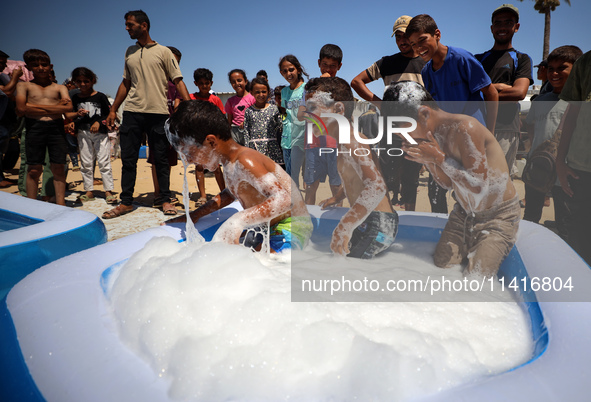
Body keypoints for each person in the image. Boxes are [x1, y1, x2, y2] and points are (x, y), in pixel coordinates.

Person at [386, 81, 519, 277]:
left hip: (498, 217)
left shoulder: (466, 128)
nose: (405, 137)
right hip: (464, 214)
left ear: (424, 114)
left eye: (405, 130)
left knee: (476, 281)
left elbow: (478, 187)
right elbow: (447, 183)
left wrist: (439, 158)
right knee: (439, 269)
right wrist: (429, 161)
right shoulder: (430, 135)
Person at [165, 100, 312, 253]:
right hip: (266, 226)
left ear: (210, 141)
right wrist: (196, 214)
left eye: (189, 153)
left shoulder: (245, 160)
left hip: (292, 225)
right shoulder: (229, 162)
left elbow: (284, 200)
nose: (188, 160)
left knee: (259, 266)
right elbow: (231, 193)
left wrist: (237, 221)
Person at [406, 14, 499, 214]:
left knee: (475, 194)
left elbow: (491, 92)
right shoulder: (427, 71)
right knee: (446, 189)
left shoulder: (462, 59)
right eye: (413, 44)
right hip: (449, 139)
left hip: (473, 139)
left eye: (422, 40)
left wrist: (490, 134)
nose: (418, 48)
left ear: (437, 34)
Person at [104, 10, 191, 219]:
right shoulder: (130, 52)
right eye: (126, 24)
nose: (126, 28)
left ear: (144, 26)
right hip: (133, 111)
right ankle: (125, 202)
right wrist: (114, 109)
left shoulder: (163, 52)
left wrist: (189, 107)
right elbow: (126, 83)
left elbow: (178, 80)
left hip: (158, 113)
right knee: (128, 159)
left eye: (130, 24)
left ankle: (165, 200)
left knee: (160, 159)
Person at [305, 77, 399, 259]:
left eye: (312, 108)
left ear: (339, 109)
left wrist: (344, 226)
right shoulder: (345, 141)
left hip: (377, 224)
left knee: (343, 266)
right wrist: (338, 196)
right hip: (373, 221)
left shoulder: (352, 141)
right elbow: (356, 178)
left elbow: (377, 186)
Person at [351, 15, 426, 211]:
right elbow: (356, 82)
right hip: (390, 129)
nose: (402, 40)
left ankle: (411, 221)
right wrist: (380, 104)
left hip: (416, 131)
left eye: (405, 35)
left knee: (411, 179)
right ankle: (387, 220)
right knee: (386, 177)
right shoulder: (387, 63)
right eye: (397, 36)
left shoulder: (427, 63)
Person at [523, 46, 582, 234]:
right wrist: (534, 153)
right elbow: (530, 126)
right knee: (530, 217)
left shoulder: (580, 102)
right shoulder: (540, 101)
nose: (554, 73)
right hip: (538, 169)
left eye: (562, 68)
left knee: (566, 223)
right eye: (550, 68)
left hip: (566, 173)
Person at [475, 3, 533, 176]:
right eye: (498, 23)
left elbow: (519, 93)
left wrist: (486, 90)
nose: (502, 27)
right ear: (492, 28)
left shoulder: (522, 59)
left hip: (505, 128)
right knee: (473, 181)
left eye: (508, 23)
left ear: (516, 27)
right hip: (477, 126)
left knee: (498, 181)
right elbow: (468, 94)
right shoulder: (477, 59)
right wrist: (499, 88)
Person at [14, 49, 72, 206]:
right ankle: (32, 205)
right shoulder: (24, 86)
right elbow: (21, 109)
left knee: (58, 167)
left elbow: (67, 108)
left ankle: (61, 204)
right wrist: (55, 106)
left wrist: (31, 106)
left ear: (50, 66)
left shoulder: (60, 88)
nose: (40, 68)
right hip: (35, 126)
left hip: (56, 127)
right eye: (36, 65)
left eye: (44, 65)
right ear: (29, 67)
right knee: (33, 168)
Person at [556, 50, 591, 265]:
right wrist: (560, 161)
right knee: (581, 242)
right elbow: (572, 114)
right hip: (581, 169)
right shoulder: (585, 63)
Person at [65, 67, 116, 205]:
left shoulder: (100, 97)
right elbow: (74, 114)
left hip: (100, 134)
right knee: (86, 162)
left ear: (93, 81)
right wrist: (73, 123)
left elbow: (108, 114)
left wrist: (99, 122)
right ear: (75, 82)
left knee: (104, 161)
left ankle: (108, 191)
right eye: (79, 81)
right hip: (83, 133)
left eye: (86, 81)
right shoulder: (75, 97)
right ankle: (88, 190)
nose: (82, 84)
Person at [304, 45, 343, 205]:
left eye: (333, 66)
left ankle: (338, 221)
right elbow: (306, 110)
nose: (328, 69)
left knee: (336, 185)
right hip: (313, 144)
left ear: (339, 66)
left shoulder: (342, 88)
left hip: (335, 145)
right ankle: (307, 223)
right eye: (325, 64)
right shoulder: (311, 87)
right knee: (310, 185)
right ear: (319, 63)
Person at [148, 46, 183, 208]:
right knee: (156, 161)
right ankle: (158, 195)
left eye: (176, 63)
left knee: (168, 162)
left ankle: (165, 192)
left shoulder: (177, 85)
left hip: (171, 131)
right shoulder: (153, 83)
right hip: (155, 127)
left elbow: (178, 104)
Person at [191, 67, 226, 206]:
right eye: (201, 83)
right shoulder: (191, 98)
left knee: (216, 167)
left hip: (212, 140)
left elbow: (221, 117)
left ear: (211, 83)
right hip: (197, 139)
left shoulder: (215, 100)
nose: (204, 86)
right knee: (199, 166)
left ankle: (224, 192)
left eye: (207, 83)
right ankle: (203, 196)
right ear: (196, 83)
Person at [279, 55, 308, 188]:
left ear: (298, 69)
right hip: (287, 139)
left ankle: (306, 205)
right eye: (284, 71)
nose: (288, 73)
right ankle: (295, 205)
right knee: (290, 176)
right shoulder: (284, 92)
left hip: (303, 138)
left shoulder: (307, 89)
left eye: (291, 69)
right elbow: (286, 113)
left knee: (307, 177)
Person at [243, 77, 284, 167]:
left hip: (272, 149)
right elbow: (246, 132)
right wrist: (247, 150)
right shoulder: (248, 111)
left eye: (264, 92)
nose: (261, 94)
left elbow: (281, 128)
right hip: (255, 149)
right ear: (252, 93)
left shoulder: (274, 109)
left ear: (268, 92)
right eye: (257, 92)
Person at [0, 51, 23, 188]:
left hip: (6, 119)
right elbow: (7, 92)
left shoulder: (2, 77)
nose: (3, 66)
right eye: (1, 63)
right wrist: (14, 78)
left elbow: (13, 95)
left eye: (4, 63)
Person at [225, 69, 255, 146]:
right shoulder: (230, 101)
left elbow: (256, 116)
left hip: (250, 130)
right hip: (235, 132)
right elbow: (229, 120)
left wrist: (246, 122)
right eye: (233, 82)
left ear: (246, 81)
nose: (236, 83)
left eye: (239, 80)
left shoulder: (252, 98)